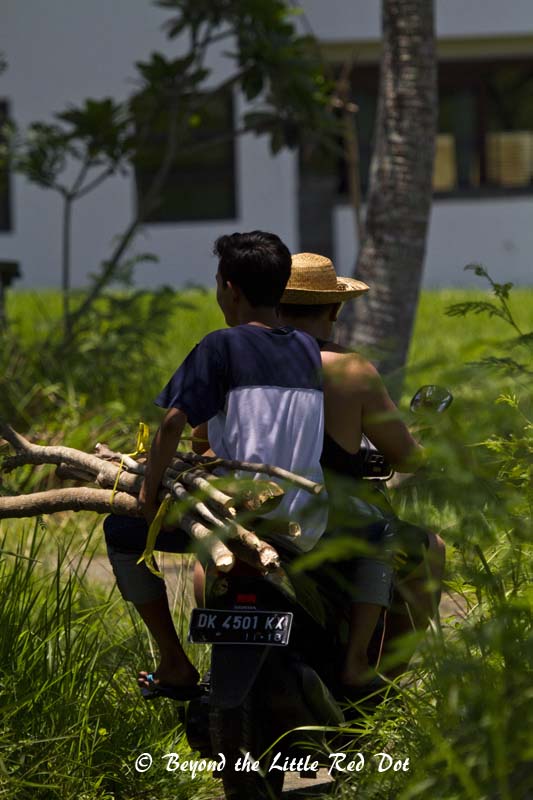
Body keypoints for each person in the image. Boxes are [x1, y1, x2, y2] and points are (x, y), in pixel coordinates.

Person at [104, 231, 329, 700]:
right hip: (305, 521)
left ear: (229, 287)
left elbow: (171, 426)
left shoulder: (221, 346)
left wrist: (148, 497)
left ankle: (173, 660)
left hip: (235, 516)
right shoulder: (309, 351)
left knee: (120, 532)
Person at [277, 252, 446, 682]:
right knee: (431, 549)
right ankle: (374, 675)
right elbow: (406, 456)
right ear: (334, 309)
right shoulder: (350, 370)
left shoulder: (238, 360)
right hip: (329, 520)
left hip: (255, 509)